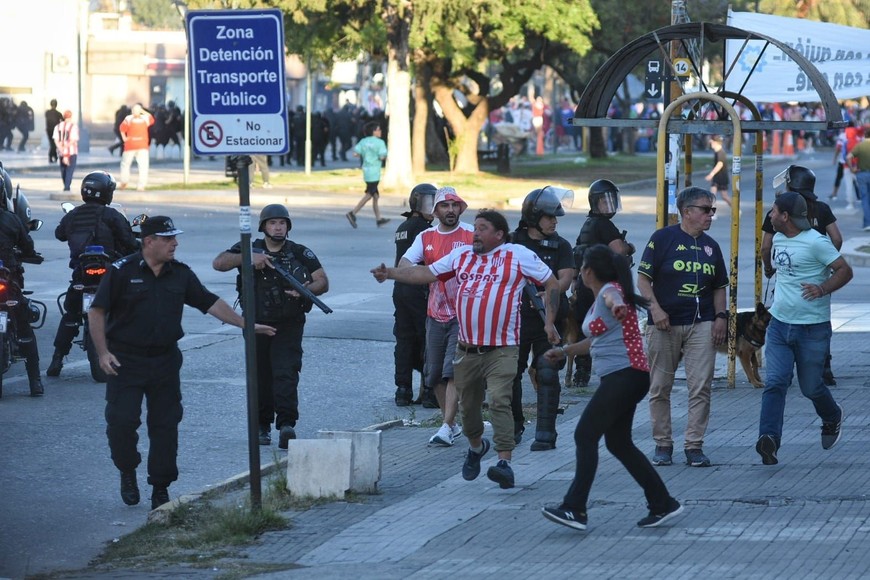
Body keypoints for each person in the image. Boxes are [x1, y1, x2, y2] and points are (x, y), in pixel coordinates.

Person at [89, 216, 275, 510]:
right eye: (168, 239)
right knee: (121, 423)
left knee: (165, 426)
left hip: (164, 360)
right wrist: (102, 353)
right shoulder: (121, 272)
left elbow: (209, 301)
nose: (175, 244)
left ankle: (160, 489)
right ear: (149, 242)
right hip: (126, 361)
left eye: (175, 238)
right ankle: (127, 470)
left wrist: (244, 324)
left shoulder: (181, 274)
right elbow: (97, 311)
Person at [372, 209, 560, 490]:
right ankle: (476, 447)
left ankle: (504, 463)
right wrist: (391, 274)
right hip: (467, 349)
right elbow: (426, 273)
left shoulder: (517, 255)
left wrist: (549, 322)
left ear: (499, 235)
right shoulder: (462, 257)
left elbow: (552, 282)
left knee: (499, 400)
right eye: (475, 228)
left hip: (503, 348)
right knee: (469, 411)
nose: (475, 233)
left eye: (482, 228)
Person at [540, 244, 684, 532]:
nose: (580, 273)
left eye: (581, 269)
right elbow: (593, 342)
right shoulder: (599, 301)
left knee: (584, 434)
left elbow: (613, 297)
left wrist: (617, 304)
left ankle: (575, 508)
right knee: (618, 443)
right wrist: (565, 351)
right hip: (625, 377)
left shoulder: (610, 291)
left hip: (625, 375)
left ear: (587, 272)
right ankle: (663, 504)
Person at [213, 205, 328, 448]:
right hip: (256, 322)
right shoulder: (248, 248)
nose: (278, 227)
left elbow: (322, 281)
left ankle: (286, 424)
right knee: (259, 376)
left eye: (282, 223)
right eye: (273, 223)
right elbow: (219, 263)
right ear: (263, 226)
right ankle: (261, 425)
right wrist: (248, 258)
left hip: (289, 323)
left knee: (286, 372)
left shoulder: (299, 252)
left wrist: (304, 290)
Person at [755, 192, 852, 466]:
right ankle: (769, 439)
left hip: (812, 329)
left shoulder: (816, 243)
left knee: (811, 388)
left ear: (786, 216)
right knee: (775, 382)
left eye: (773, 211)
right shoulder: (779, 238)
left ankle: (832, 416)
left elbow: (844, 270)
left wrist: (822, 288)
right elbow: (769, 259)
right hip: (779, 325)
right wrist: (766, 266)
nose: (770, 216)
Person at [637, 186, 728, 468]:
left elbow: (719, 287)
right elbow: (642, 280)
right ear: (686, 212)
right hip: (664, 324)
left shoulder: (712, 246)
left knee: (700, 387)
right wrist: (655, 308)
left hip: (702, 324)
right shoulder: (662, 239)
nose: (710, 215)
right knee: (660, 387)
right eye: (705, 209)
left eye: (712, 210)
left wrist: (721, 317)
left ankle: (694, 446)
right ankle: (663, 444)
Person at [397, 187, 474, 444]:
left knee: (451, 371)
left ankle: (446, 425)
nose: (450, 210)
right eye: (445, 206)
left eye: (455, 205)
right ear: (436, 210)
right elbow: (404, 265)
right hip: (434, 313)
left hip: (463, 316)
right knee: (433, 376)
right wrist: (428, 273)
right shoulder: (425, 236)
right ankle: (450, 424)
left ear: (460, 208)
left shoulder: (471, 234)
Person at [47, 171, 139, 377]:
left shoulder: (73, 216)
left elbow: (59, 234)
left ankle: (57, 359)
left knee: (71, 314)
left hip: (82, 275)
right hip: (108, 275)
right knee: (128, 304)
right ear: (106, 193)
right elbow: (129, 241)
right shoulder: (111, 215)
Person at [761, 165, 842, 386]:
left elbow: (766, 246)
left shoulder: (779, 210)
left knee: (786, 316)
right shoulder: (822, 208)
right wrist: (828, 264)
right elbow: (836, 238)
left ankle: (783, 372)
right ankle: (824, 367)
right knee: (818, 321)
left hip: (788, 274)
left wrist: (769, 268)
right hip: (818, 279)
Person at [510, 186, 575, 450]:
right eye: (549, 216)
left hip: (550, 320)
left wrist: (549, 289)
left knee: (547, 370)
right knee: (509, 374)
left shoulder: (561, 245)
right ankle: (512, 428)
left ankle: (546, 433)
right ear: (533, 217)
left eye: (556, 216)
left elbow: (565, 281)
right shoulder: (512, 241)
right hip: (515, 321)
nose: (554, 221)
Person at [571, 179, 635, 389]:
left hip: (584, 282)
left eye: (611, 200)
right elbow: (618, 250)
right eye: (604, 201)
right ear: (594, 203)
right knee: (607, 328)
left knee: (585, 327)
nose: (609, 205)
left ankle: (581, 373)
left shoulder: (587, 224)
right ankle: (609, 368)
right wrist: (629, 247)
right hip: (600, 287)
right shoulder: (605, 225)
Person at [0, 165, 45, 396]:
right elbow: (28, 246)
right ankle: (35, 382)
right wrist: (28, 254)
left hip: (7, 281)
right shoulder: (11, 219)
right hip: (9, 279)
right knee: (25, 326)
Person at [391, 184, 435, 406]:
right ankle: (429, 391)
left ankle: (403, 389)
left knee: (404, 339)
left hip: (400, 288)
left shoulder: (403, 225)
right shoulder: (425, 230)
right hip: (418, 288)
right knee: (427, 338)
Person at [346, 121, 389, 228]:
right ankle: (353, 213)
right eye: (378, 129)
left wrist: (366, 155)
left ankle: (379, 219)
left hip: (366, 171)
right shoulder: (380, 143)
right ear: (374, 131)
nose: (380, 131)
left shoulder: (363, 141)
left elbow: (356, 153)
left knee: (376, 196)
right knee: (369, 194)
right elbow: (382, 156)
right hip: (375, 172)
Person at [118, 103, 155, 191]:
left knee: (125, 164)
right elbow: (152, 118)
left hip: (130, 145)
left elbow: (122, 128)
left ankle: (124, 181)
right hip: (142, 146)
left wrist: (124, 138)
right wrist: (142, 111)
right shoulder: (145, 118)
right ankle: (141, 185)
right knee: (143, 166)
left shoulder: (128, 118)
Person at [846, 126, 870, 231]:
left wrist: (852, 169)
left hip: (862, 174)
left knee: (865, 199)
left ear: (865, 135)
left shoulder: (860, 146)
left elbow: (848, 157)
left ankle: (867, 223)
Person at [51, 110, 79, 192]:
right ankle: (67, 186)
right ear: (71, 117)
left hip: (61, 152)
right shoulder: (73, 126)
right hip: (71, 151)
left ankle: (65, 184)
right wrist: (66, 146)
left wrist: (61, 148)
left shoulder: (58, 126)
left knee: (63, 169)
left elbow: (55, 140)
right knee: (70, 169)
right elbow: (74, 140)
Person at [705, 136, 732, 213]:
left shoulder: (721, 152)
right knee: (712, 195)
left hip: (722, 177)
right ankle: (712, 213)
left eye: (712, 142)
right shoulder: (717, 152)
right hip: (717, 177)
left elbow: (720, 164)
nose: (711, 144)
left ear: (716, 142)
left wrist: (711, 174)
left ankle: (736, 209)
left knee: (724, 196)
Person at [45, 99, 64, 164]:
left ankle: (54, 156)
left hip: (49, 130)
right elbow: (63, 120)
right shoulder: (58, 113)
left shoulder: (47, 112)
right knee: (54, 144)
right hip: (55, 130)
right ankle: (51, 156)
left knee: (52, 144)